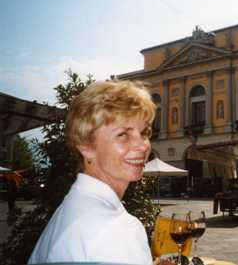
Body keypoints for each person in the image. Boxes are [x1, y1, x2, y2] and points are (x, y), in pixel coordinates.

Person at [28, 80, 156, 264]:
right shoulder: (117, 229)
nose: (143, 145)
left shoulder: (72, 208)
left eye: (144, 133)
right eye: (123, 134)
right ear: (86, 146)